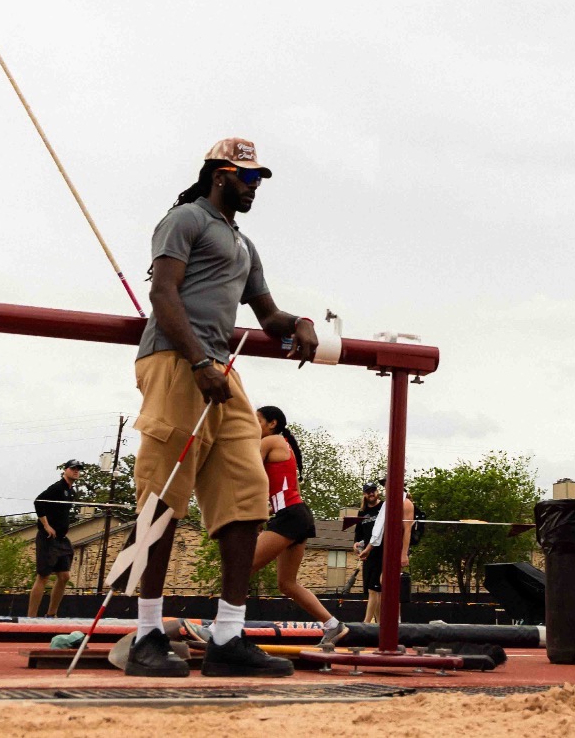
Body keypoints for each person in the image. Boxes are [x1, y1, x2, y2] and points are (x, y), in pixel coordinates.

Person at [123, 138, 320, 679]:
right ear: (220, 174)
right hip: (176, 361)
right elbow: (164, 294)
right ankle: (145, 636)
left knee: (248, 495)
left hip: (220, 372)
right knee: (163, 495)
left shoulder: (244, 243)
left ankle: (228, 636)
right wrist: (196, 361)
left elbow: (268, 313)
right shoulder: (185, 219)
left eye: (259, 180)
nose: (255, 188)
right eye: (248, 178)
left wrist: (299, 323)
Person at [251, 405, 347, 648]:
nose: (252, 424)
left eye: (256, 420)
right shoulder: (284, 445)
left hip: (291, 516)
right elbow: (286, 489)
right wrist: (267, 512)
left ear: (272, 423)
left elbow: (247, 470)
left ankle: (221, 627)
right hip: (297, 515)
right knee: (287, 583)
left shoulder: (271, 440)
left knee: (241, 568)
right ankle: (332, 624)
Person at [27, 460, 83, 619]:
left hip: (61, 539)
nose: (76, 471)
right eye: (73, 468)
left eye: (78, 469)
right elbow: (38, 502)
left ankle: (51, 614)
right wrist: (46, 525)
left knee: (64, 576)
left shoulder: (70, 491)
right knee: (43, 576)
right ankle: (30, 618)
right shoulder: (57, 487)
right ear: (65, 470)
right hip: (48, 538)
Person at [359, 480, 415, 625]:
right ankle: (380, 624)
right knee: (378, 588)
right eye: (385, 486)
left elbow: (407, 530)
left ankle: (394, 622)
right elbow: (378, 530)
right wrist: (368, 548)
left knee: (388, 586)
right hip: (381, 549)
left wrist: (404, 554)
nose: (386, 488)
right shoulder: (387, 505)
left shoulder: (406, 503)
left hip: (395, 550)